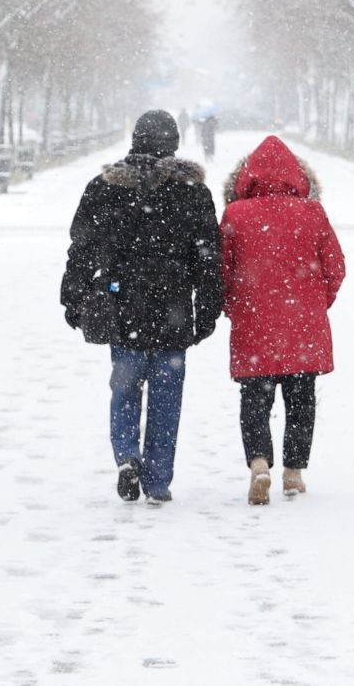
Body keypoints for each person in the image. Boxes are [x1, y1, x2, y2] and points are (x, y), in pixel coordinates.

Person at [61, 110, 223, 504]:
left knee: (125, 386)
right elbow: (208, 256)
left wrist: (73, 295)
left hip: (122, 307)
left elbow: (81, 247)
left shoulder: (103, 187)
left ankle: (126, 455)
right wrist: (208, 307)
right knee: (167, 397)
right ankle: (157, 479)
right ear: (173, 143)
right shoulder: (191, 191)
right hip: (173, 308)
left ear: (135, 140)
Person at [219, 136, 345, 505]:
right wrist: (317, 302)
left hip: (253, 321)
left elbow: (221, 272)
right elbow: (335, 267)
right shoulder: (312, 213)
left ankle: (259, 464)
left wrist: (235, 306)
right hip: (303, 324)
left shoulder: (236, 215)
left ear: (246, 177)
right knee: (301, 398)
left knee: (254, 399)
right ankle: (293, 472)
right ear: (298, 176)